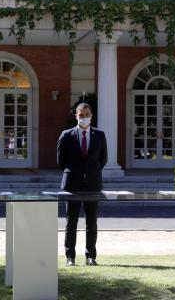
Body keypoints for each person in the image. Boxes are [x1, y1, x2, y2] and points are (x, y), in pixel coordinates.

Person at [57, 103, 107, 266]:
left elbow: (103, 159)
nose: (84, 117)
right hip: (72, 184)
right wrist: (76, 171)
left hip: (92, 184)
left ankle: (90, 256)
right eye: (81, 114)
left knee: (91, 222)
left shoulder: (99, 135)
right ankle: (70, 256)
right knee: (71, 222)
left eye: (86, 114)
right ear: (76, 115)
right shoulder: (66, 135)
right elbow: (61, 160)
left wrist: (90, 172)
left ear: (91, 115)